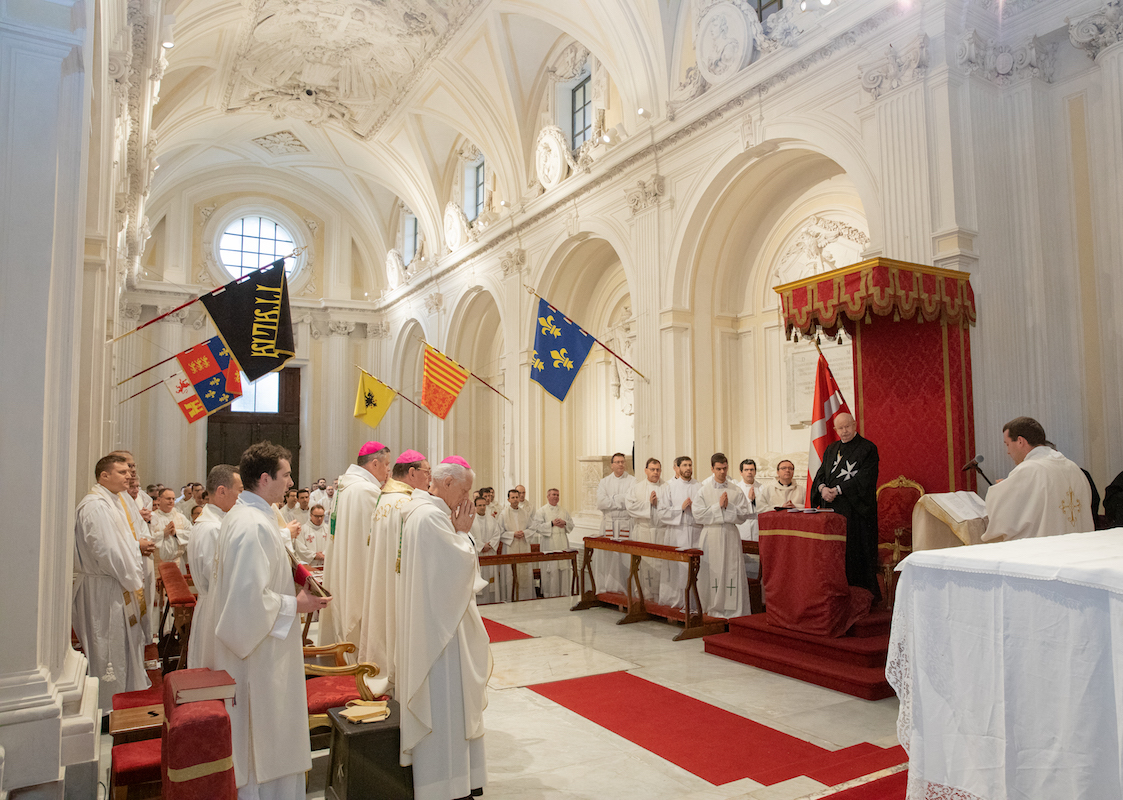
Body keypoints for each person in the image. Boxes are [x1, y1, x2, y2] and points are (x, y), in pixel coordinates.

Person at [213, 441, 331, 799]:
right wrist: (296, 605)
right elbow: (247, 602)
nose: (291, 482)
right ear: (265, 479)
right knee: (264, 737)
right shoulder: (253, 525)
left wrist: (298, 577)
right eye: (286, 475)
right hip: (259, 656)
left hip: (268, 645)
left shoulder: (253, 516)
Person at [397, 456, 488, 800]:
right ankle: (444, 784)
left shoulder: (420, 511)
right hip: (440, 635)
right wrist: (463, 535)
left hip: (439, 623)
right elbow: (458, 570)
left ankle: (460, 779)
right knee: (446, 707)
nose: (468, 499)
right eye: (465, 490)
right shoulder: (432, 517)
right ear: (447, 483)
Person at [73, 453, 151, 710]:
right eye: (121, 471)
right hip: (104, 587)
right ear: (104, 476)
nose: (129, 475)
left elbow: (123, 540)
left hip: (114, 583)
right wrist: (132, 577)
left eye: (129, 471)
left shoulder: (113, 501)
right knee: (106, 647)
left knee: (120, 645)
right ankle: (108, 706)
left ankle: (123, 700)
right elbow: (107, 551)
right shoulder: (95, 506)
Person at [357, 450, 430, 694]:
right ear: (412, 473)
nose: (430, 478)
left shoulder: (385, 497)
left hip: (382, 578)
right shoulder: (407, 503)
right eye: (427, 472)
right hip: (399, 583)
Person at [319, 441, 390, 648]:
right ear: (374, 463)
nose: (388, 471)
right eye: (386, 465)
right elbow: (376, 539)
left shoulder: (346, 487)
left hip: (343, 564)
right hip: (359, 569)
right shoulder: (366, 491)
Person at [982, 417, 1094, 541]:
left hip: (1044, 554)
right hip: (1078, 550)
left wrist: (1001, 490)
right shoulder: (1073, 467)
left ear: (1020, 441)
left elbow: (1004, 518)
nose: (1008, 451)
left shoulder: (1029, 470)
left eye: (1008, 444)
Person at [810, 412, 881, 602]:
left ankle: (861, 597)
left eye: (847, 426)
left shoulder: (867, 449)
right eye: (840, 428)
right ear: (835, 430)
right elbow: (821, 474)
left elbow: (865, 479)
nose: (844, 431)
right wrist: (823, 488)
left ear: (855, 425)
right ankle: (835, 594)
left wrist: (839, 490)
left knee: (854, 555)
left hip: (855, 513)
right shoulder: (832, 449)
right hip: (831, 512)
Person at [186, 464, 242, 669]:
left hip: (213, 605)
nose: (241, 496)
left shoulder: (213, 522)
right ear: (221, 491)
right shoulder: (213, 529)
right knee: (217, 669)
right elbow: (217, 577)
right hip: (216, 607)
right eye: (240, 490)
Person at [693, 453, 751, 618]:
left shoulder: (735, 490)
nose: (722, 472)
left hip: (730, 534)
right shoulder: (704, 490)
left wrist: (729, 507)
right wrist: (718, 507)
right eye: (718, 469)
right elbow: (698, 515)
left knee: (731, 570)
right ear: (712, 468)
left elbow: (743, 514)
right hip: (711, 535)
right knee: (713, 571)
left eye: (725, 468)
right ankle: (712, 607)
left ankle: (733, 610)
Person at [656, 456, 703, 608]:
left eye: (690, 465)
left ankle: (695, 604)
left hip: (696, 533)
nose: (688, 468)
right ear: (677, 468)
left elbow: (704, 509)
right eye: (684, 465)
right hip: (677, 533)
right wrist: (680, 509)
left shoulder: (700, 486)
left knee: (695, 571)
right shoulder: (669, 487)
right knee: (678, 571)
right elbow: (662, 513)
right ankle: (677, 603)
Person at [625, 458, 664, 600]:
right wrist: (649, 505)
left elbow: (671, 509)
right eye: (652, 469)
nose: (655, 472)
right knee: (644, 565)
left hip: (661, 533)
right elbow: (630, 507)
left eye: (658, 469)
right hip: (643, 531)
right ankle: (642, 598)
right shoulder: (636, 488)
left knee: (661, 566)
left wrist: (657, 506)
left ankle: (660, 599)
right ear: (645, 470)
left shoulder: (667, 487)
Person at [595, 453, 633, 594]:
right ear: (612, 465)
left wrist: (611, 499)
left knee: (625, 559)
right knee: (608, 558)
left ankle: (625, 591)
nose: (620, 464)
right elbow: (600, 502)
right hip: (609, 524)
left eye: (622, 461)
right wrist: (619, 500)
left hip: (625, 524)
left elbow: (630, 500)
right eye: (617, 462)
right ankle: (607, 589)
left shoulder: (632, 481)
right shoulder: (604, 482)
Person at [529, 488, 575, 598]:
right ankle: (550, 594)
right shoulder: (542, 511)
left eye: (557, 495)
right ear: (548, 496)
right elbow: (536, 527)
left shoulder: (563, 511)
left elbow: (571, 525)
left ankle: (564, 594)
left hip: (562, 543)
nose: (556, 497)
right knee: (551, 570)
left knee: (563, 569)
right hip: (549, 544)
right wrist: (551, 524)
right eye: (553, 494)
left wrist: (564, 523)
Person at [497, 489, 534, 600]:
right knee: (510, 573)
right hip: (510, 547)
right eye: (512, 498)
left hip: (523, 545)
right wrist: (513, 535)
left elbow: (532, 528)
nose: (515, 500)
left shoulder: (525, 513)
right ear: (508, 499)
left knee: (524, 573)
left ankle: (525, 598)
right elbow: (499, 532)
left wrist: (524, 533)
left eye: (517, 497)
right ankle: (510, 597)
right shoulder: (503, 514)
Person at [150, 487, 192, 571]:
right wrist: (163, 534)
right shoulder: (151, 517)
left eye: (173, 499)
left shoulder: (180, 517)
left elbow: (193, 534)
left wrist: (176, 534)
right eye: (168, 498)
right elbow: (146, 539)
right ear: (159, 499)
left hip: (177, 563)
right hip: (157, 564)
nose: (171, 501)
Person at [470, 495, 502, 604]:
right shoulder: (470, 520)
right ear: (475, 507)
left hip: (490, 554)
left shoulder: (492, 520)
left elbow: (497, 534)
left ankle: (492, 601)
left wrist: (490, 545)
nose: (482, 507)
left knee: (490, 579)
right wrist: (481, 546)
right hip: (478, 555)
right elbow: (469, 536)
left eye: (484, 505)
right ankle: (479, 603)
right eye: (479, 505)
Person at [735, 459, 763, 542]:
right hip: (742, 525)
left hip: (757, 525)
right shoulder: (736, 488)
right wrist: (749, 500)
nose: (749, 472)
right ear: (741, 472)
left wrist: (754, 501)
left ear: (755, 472)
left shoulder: (762, 488)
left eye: (751, 470)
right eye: (746, 470)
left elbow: (765, 509)